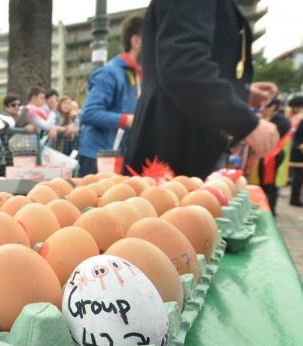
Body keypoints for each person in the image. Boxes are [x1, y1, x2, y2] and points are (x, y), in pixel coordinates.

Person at [124, 0, 279, 178]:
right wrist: (245, 122)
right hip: (176, 148)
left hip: (178, 146)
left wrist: (242, 92)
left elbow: (186, 64)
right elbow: (183, 66)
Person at [78, 15, 143, 176]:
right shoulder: (109, 73)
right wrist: (130, 120)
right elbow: (89, 113)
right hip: (98, 158)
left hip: (117, 156)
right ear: (136, 42)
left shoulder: (136, 75)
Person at [289, 94, 303, 207]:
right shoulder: (300, 118)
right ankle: (295, 199)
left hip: (294, 149)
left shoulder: (296, 117)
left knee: (297, 176)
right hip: (299, 152)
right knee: (298, 176)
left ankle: (295, 198)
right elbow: (299, 137)